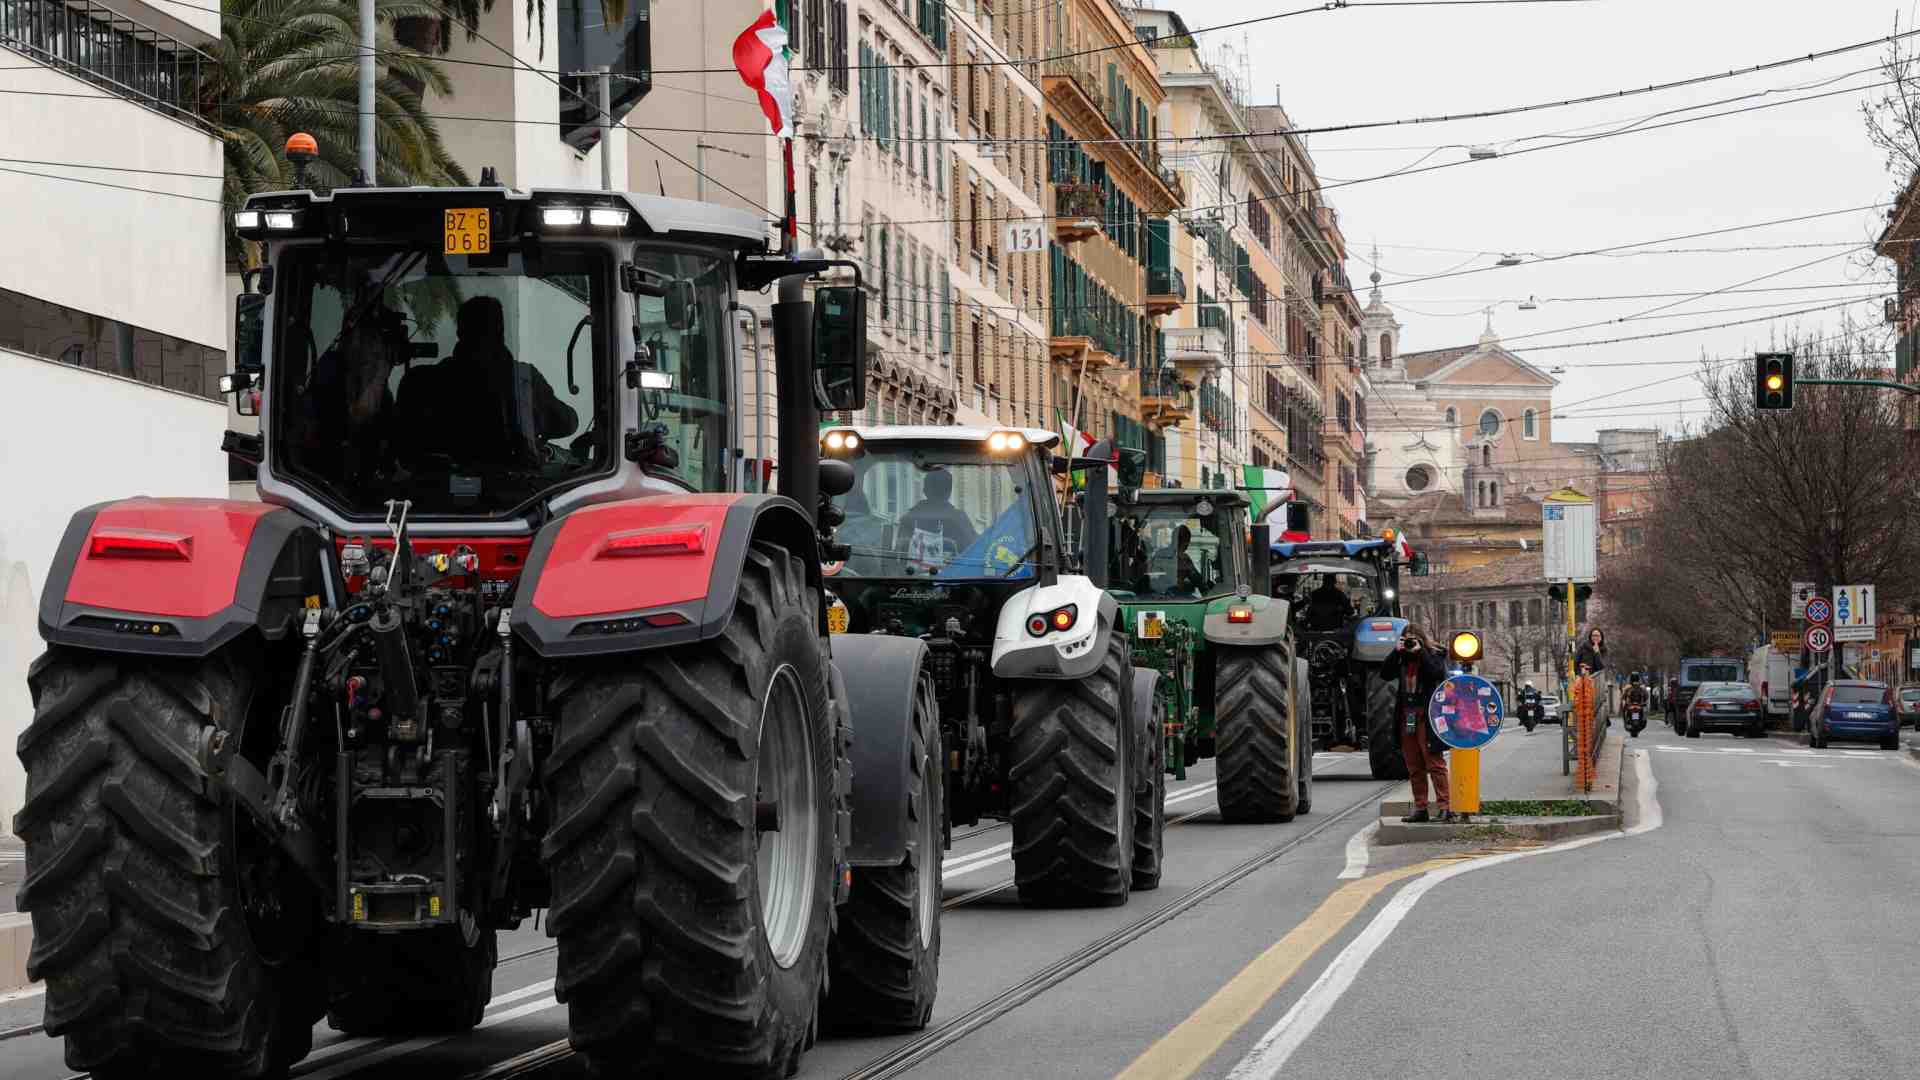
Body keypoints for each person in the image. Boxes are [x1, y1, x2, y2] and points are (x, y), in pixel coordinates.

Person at [397, 295, 578, 465]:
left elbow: (401, 446)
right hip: (515, 492)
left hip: (437, 493)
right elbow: (568, 423)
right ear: (501, 333)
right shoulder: (525, 379)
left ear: (460, 332)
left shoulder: (419, 381)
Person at [1379, 625, 1451, 823]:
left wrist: (1421, 653)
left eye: (1413, 639)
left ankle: (1445, 807)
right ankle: (1421, 808)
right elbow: (1385, 674)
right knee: (1413, 765)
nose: (1410, 643)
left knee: (1434, 762)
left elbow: (1436, 674)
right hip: (1407, 716)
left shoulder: (1434, 654)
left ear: (1420, 639)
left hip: (1427, 715)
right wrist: (1396, 651)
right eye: (1406, 639)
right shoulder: (1401, 657)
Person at [899, 468, 978, 564]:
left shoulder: (908, 518)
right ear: (949, 492)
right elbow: (974, 551)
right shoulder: (959, 519)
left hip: (910, 577)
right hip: (952, 577)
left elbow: (899, 553)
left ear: (925, 490)